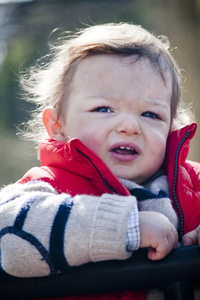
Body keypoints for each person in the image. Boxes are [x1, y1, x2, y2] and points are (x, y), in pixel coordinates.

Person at [0, 23, 200, 300]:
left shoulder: (194, 185)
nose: (130, 126)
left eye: (151, 114)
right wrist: (122, 227)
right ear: (57, 125)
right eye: (103, 109)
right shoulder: (48, 187)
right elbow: (11, 238)